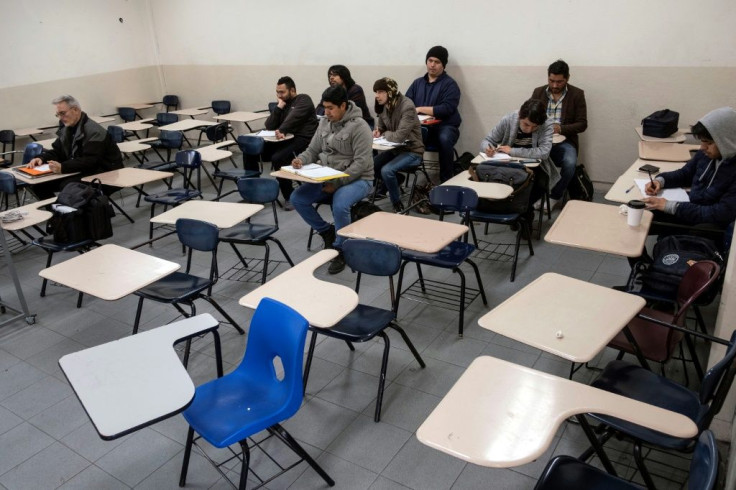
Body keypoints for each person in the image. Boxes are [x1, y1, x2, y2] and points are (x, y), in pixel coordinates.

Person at [291, 85, 374, 274]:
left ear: (343, 106)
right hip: (328, 177)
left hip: (359, 180)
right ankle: (326, 231)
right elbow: (312, 150)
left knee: (339, 204)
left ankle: (341, 248)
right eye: (324, 107)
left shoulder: (360, 127)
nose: (326, 112)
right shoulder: (324, 123)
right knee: (298, 198)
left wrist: (336, 184)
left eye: (330, 108)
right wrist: (300, 160)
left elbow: (360, 165)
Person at [642, 107, 736, 234]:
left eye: (708, 142)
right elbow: (685, 174)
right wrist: (661, 181)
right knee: (638, 216)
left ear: (727, 142)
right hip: (690, 210)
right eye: (702, 142)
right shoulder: (706, 155)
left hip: (707, 223)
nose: (702, 147)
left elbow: (720, 214)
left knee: (649, 225)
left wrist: (670, 206)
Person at [27, 95, 123, 199]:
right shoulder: (68, 128)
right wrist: (41, 158)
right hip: (83, 170)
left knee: (68, 186)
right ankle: (56, 212)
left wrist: (63, 167)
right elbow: (58, 151)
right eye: (57, 115)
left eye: (62, 113)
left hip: (105, 172)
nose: (60, 118)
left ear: (76, 110)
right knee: (38, 185)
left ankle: (71, 212)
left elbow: (90, 161)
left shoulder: (94, 131)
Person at [247, 76, 318, 210]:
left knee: (278, 158)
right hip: (284, 140)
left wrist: (283, 129)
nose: (279, 95)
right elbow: (269, 125)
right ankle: (253, 190)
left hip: (302, 140)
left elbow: (294, 117)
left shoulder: (303, 99)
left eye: (282, 92)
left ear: (292, 90)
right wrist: (279, 107)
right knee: (250, 151)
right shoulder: (283, 104)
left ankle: (289, 196)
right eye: (277, 92)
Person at [480, 99, 560, 213]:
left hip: (537, 167)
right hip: (508, 165)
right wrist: (488, 148)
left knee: (539, 184)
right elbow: (487, 140)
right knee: (501, 181)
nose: (530, 129)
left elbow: (544, 152)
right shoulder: (508, 119)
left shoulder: (547, 124)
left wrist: (512, 150)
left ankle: (523, 213)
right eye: (526, 124)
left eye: (535, 127)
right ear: (519, 116)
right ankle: (517, 212)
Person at [530, 59, 588, 210]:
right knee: (526, 161)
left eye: (559, 82)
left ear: (567, 78)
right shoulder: (538, 92)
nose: (554, 85)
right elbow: (528, 115)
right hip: (541, 140)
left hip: (565, 141)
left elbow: (582, 124)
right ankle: (534, 195)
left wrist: (560, 128)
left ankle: (555, 195)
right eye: (551, 81)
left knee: (570, 163)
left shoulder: (577, 94)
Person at [406, 45, 461, 183]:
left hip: (445, 126)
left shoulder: (450, 84)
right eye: (430, 60)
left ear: (443, 65)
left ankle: (446, 181)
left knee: (444, 138)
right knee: (400, 136)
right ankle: (394, 178)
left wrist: (420, 109)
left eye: (437, 62)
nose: (432, 65)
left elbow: (447, 108)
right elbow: (406, 104)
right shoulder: (417, 83)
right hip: (421, 128)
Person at [372, 77, 424, 212]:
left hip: (413, 151)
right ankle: (397, 179)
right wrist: (378, 131)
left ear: (390, 92)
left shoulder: (407, 106)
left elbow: (399, 137)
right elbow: (382, 128)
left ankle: (396, 203)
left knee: (387, 170)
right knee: (370, 166)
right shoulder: (384, 106)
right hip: (396, 150)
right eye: (376, 92)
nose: (377, 95)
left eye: (381, 91)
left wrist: (384, 134)